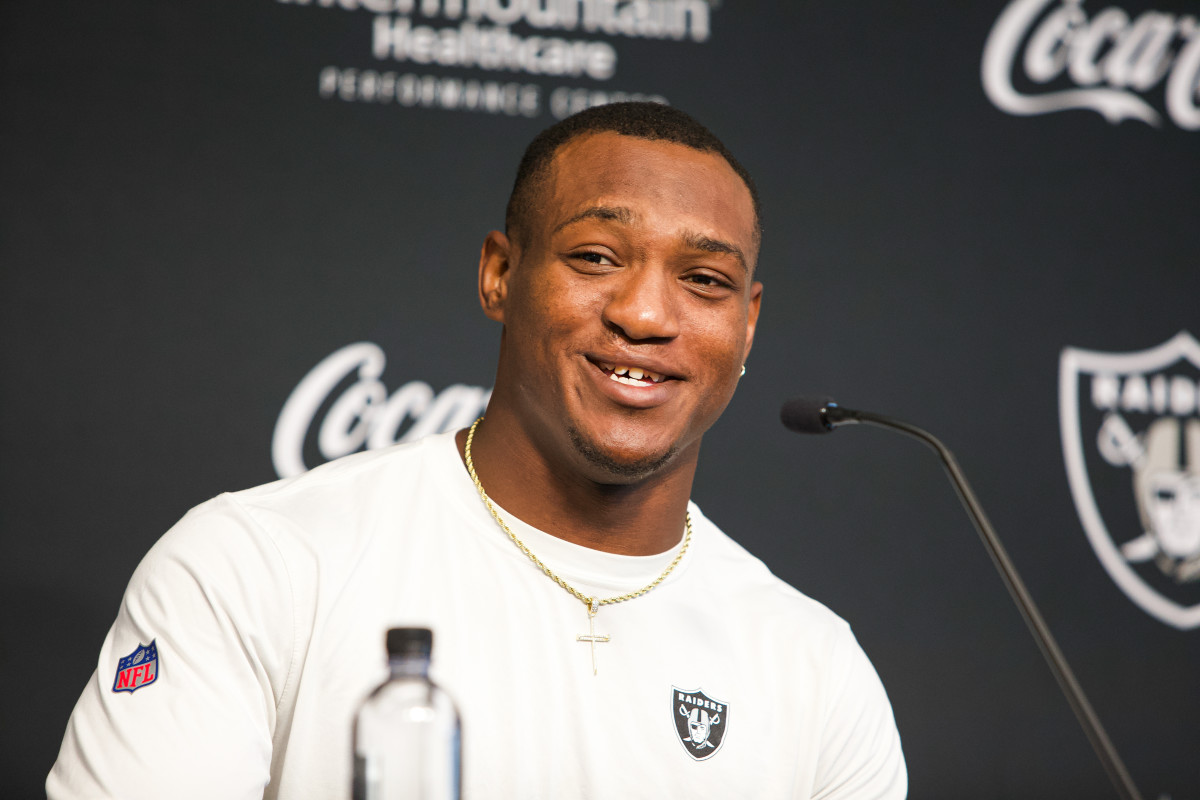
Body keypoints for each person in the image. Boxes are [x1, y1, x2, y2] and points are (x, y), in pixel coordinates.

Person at [48, 102, 906, 799]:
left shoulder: (816, 667)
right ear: (500, 274)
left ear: (747, 324)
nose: (646, 314)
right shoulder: (254, 564)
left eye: (705, 280)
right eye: (596, 257)